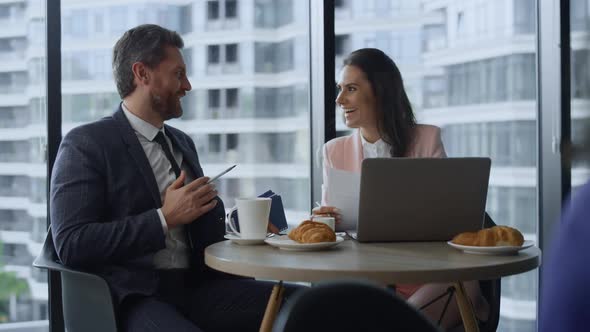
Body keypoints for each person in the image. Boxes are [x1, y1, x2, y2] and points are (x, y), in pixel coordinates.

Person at [50, 24, 299, 332]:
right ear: (142, 74)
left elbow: (196, 228)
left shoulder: (182, 143)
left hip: (198, 289)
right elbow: (72, 244)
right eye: (178, 74)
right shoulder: (87, 144)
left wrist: (243, 229)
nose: (188, 86)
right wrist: (163, 218)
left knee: (309, 304)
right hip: (135, 297)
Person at [312, 48, 489, 329]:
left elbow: (449, 217)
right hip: (366, 278)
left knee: (448, 291)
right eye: (340, 89)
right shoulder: (334, 151)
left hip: (430, 276)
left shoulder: (427, 138)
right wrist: (324, 219)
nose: (339, 99)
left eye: (351, 89)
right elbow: (331, 230)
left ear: (381, 91)